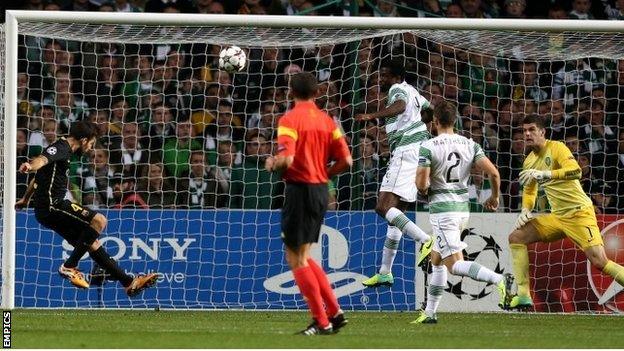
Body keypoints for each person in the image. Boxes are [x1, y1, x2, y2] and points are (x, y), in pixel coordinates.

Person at [15, 120, 158, 296]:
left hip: (45, 210)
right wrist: (30, 165)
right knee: (99, 220)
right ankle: (69, 266)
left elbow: (38, 178)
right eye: (91, 143)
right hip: (53, 205)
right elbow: (41, 160)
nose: (90, 148)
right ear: (83, 140)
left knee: (92, 243)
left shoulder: (65, 152)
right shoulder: (61, 148)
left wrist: (25, 199)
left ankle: (129, 283)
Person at [264, 72, 352, 335]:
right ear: (317, 93)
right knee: (304, 255)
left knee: (296, 258)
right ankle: (335, 313)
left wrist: (272, 162)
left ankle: (321, 321)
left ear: (290, 92)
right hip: (321, 191)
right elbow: (347, 162)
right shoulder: (328, 121)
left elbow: (287, 159)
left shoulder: (289, 119)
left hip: (300, 191)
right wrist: (325, 174)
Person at [507, 114, 624, 310]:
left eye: (531, 129)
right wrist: (525, 209)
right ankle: (523, 295)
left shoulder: (557, 148)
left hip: (579, 213)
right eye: (524, 130)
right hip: (558, 217)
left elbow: (576, 171)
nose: (527, 134)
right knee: (516, 237)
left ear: (542, 132)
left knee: (599, 261)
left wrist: (546, 174)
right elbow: (530, 189)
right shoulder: (529, 161)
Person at [413, 101, 512, 324]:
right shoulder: (470, 144)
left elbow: (421, 183)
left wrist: (424, 187)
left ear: (435, 122)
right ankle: (429, 313)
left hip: (443, 212)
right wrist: (494, 198)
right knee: (436, 260)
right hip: (462, 211)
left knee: (455, 266)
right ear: (455, 121)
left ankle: (499, 279)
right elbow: (495, 175)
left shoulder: (429, 146)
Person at [356, 59, 433, 288]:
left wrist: (372, 116)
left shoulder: (397, 89)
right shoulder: (416, 93)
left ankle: (425, 240)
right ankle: (385, 272)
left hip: (406, 152)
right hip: (417, 151)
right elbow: (430, 110)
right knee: (395, 217)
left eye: (385, 75)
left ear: (396, 77)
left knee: (382, 207)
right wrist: (420, 126)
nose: (381, 79)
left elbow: (399, 105)